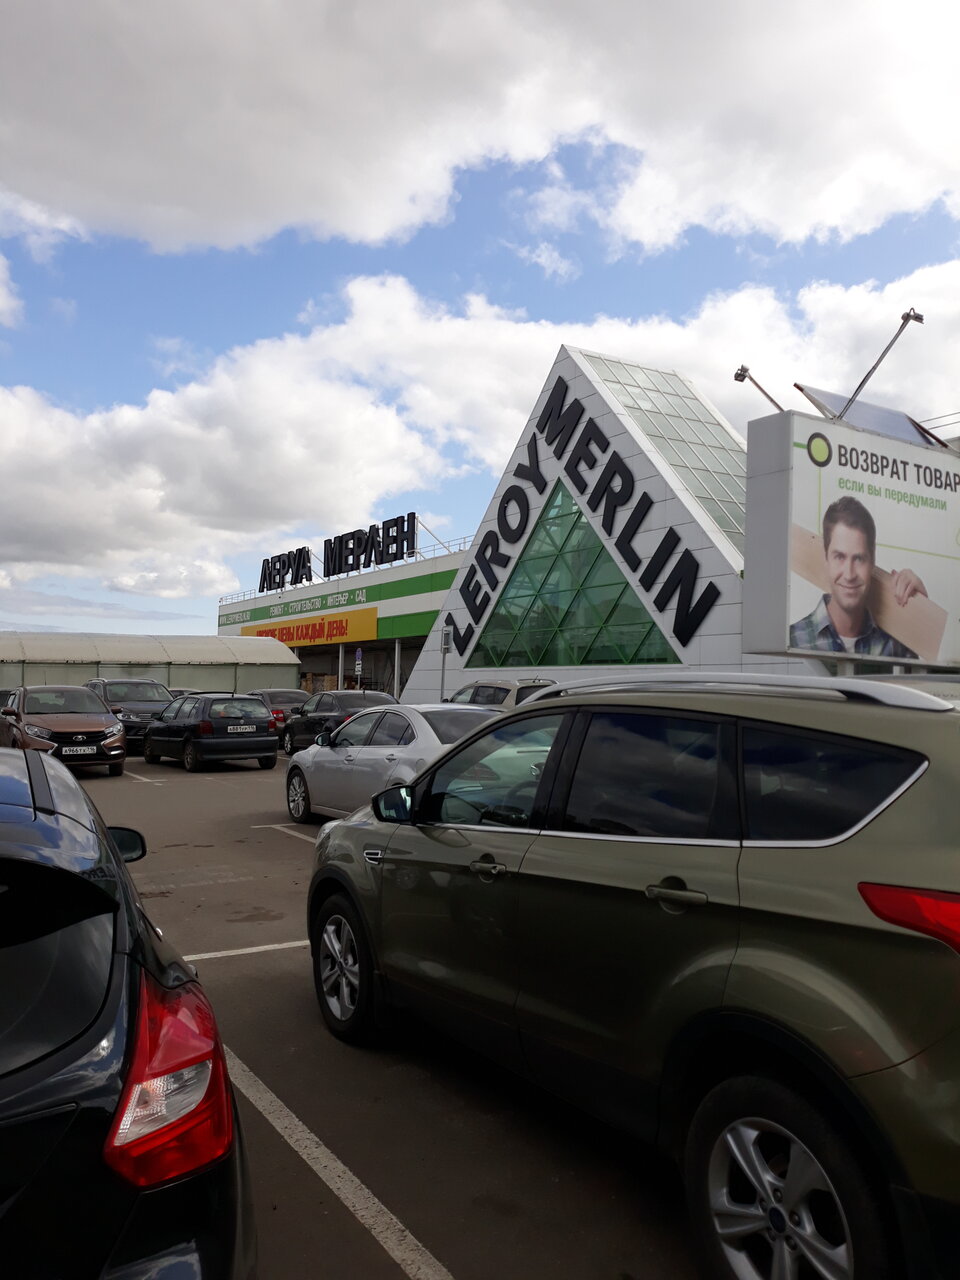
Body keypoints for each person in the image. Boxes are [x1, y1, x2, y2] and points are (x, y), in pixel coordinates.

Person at [790, 496, 926, 658]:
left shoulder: (896, 648)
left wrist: (923, 613)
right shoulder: (792, 641)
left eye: (859, 559)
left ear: (872, 561)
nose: (849, 575)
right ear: (826, 559)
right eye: (839, 557)